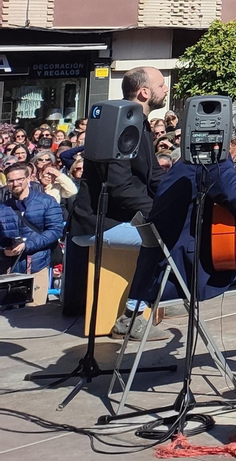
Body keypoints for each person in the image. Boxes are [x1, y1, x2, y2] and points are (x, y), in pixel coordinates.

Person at [130, 108, 236, 377]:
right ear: (231, 139)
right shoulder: (213, 163)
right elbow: (235, 195)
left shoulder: (187, 163)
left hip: (167, 271)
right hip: (190, 274)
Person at [70, 67, 167, 330]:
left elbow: (155, 176)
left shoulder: (140, 124)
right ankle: (132, 317)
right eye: (161, 85)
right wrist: (159, 212)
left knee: (177, 228)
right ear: (144, 92)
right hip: (99, 223)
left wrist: (176, 200)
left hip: (124, 217)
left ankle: (147, 305)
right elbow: (119, 186)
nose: (166, 89)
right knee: (165, 239)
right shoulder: (120, 123)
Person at [3, 162, 64, 306]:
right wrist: (3, 250)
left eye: (19, 179)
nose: (15, 183)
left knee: (34, 310)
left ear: (28, 178)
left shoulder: (46, 201)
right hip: (10, 268)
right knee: (9, 313)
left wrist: (28, 245)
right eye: (11, 180)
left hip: (38, 263)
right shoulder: (3, 207)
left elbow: (55, 230)